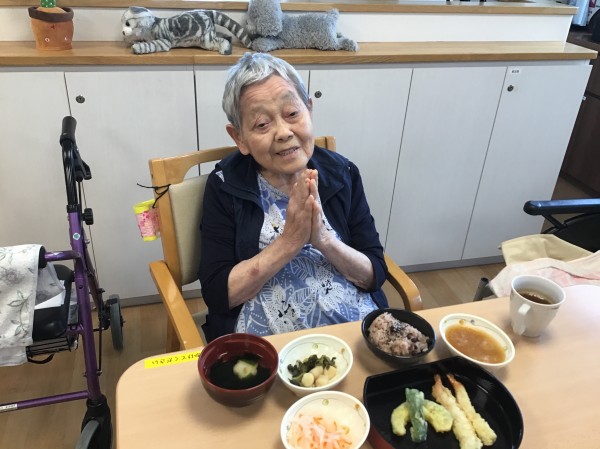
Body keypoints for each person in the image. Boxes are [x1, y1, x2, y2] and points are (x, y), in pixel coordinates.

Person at [199, 52, 388, 342]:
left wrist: (324, 239)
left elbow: (375, 273)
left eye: (292, 114)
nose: (283, 132)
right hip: (269, 344)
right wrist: (289, 241)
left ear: (309, 111)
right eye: (262, 124)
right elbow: (217, 293)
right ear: (239, 138)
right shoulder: (224, 185)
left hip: (355, 332)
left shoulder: (343, 173)